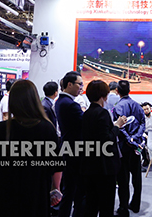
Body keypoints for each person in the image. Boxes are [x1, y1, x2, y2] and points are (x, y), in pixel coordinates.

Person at [0, 80, 62, 216]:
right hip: (36, 198)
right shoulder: (47, 128)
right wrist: (56, 189)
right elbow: (56, 165)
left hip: (3, 199)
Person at [81, 80, 127, 217]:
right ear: (103, 95)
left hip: (90, 164)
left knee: (91, 204)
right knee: (106, 206)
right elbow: (106, 139)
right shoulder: (103, 113)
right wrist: (117, 126)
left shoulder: (86, 114)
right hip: (104, 167)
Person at [54, 71, 85, 217]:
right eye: (80, 84)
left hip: (68, 148)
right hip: (75, 151)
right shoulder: (71, 105)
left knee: (69, 189)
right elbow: (85, 125)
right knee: (76, 190)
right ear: (69, 84)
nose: (81, 88)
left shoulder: (61, 101)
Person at [113, 80, 145, 216]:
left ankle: (123, 207)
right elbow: (143, 123)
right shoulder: (138, 106)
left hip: (123, 147)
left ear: (117, 91)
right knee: (137, 178)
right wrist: (135, 139)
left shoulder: (117, 107)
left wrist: (128, 140)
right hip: (136, 146)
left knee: (123, 179)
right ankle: (136, 205)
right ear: (129, 90)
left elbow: (119, 127)